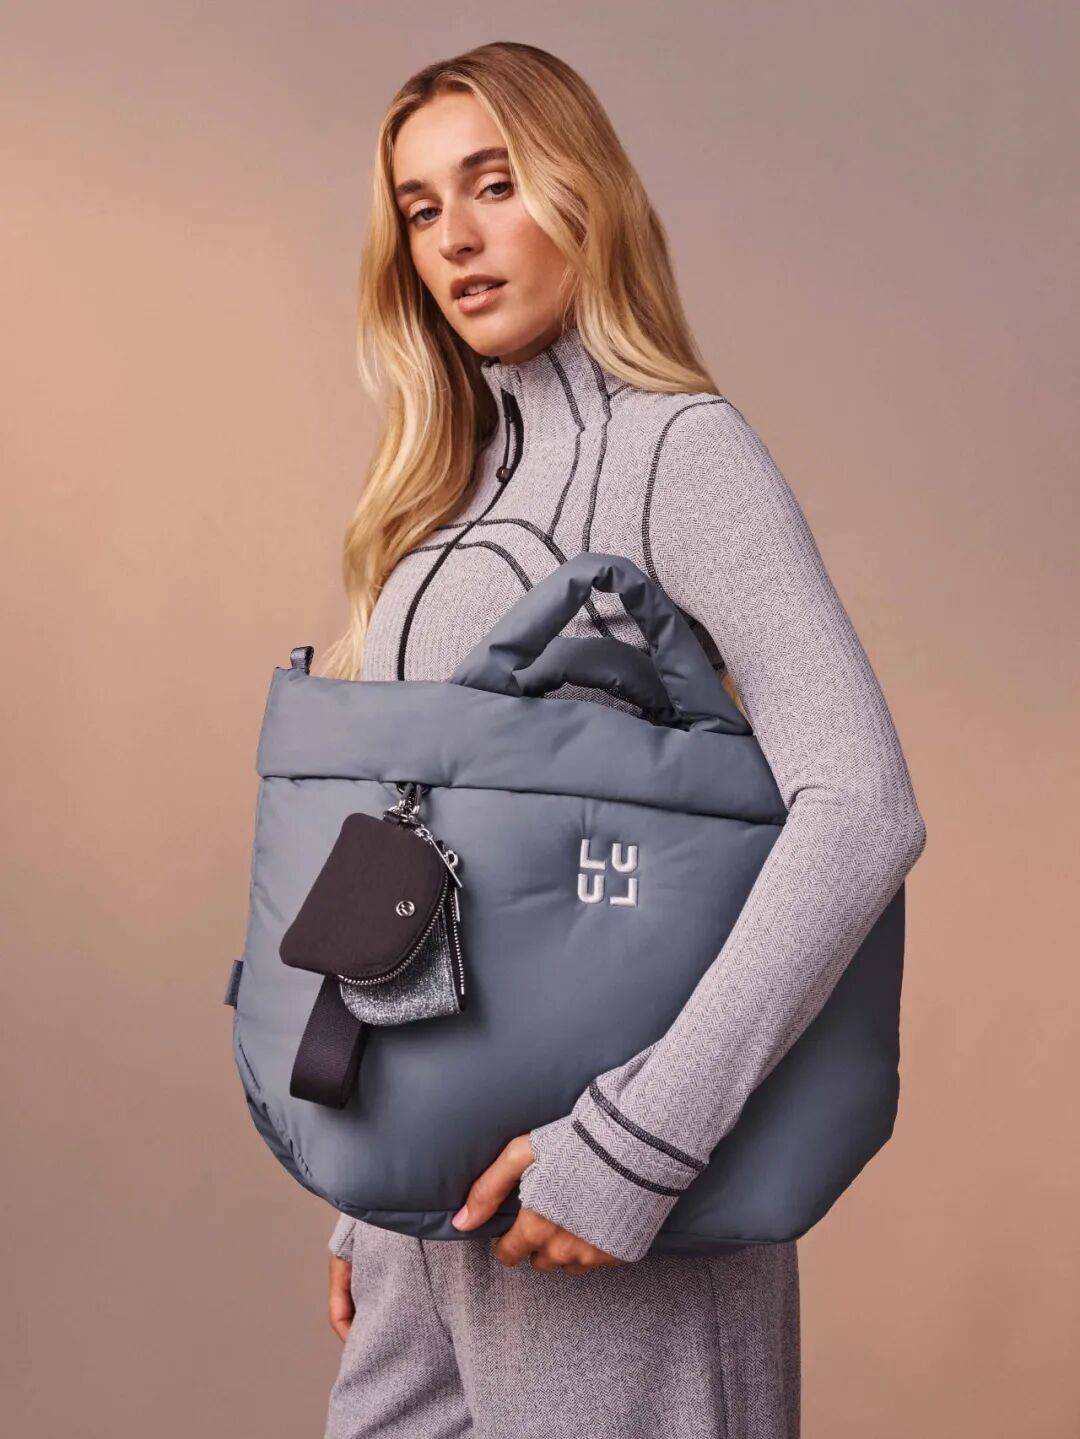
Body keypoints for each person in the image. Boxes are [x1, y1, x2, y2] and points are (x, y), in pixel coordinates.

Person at [317, 40, 927, 1439]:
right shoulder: (433, 504)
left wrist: (643, 1143)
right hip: (426, 1223)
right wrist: (366, 1173)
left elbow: (862, 808)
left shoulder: (676, 452)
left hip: (604, 1212)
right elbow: (409, 856)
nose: (456, 238)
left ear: (582, 195)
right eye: (421, 208)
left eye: (495, 184)